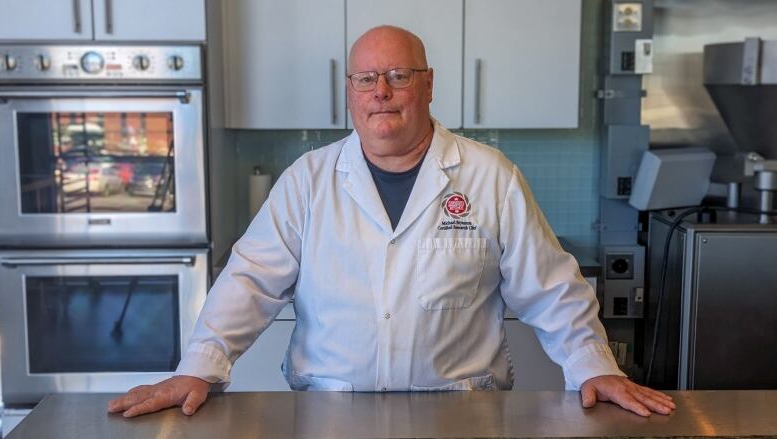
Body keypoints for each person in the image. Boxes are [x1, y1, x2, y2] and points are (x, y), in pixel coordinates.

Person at [109, 25, 675, 419]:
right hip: (328, 416)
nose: (381, 92)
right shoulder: (308, 180)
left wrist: (594, 367)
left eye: (399, 76)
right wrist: (200, 367)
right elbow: (249, 280)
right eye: (366, 79)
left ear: (428, 85)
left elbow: (549, 287)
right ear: (349, 92)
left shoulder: (488, 176)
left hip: (464, 415)